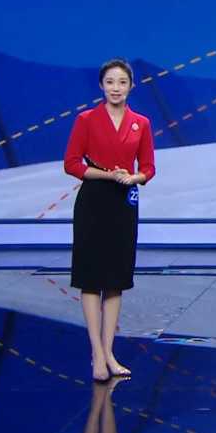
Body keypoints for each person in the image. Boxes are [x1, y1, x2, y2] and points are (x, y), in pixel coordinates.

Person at [64, 58, 156, 382]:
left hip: (123, 203)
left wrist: (134, 178)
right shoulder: (86, 120)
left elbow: (148, 167)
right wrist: (106, 175)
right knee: (91, 278)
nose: (116, 88)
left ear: (131, 86)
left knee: (116, 279)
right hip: (93, 200)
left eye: (122, 82)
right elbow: (72, 164)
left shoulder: (141, 123)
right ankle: (97, 355)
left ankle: (109, 351)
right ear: (101, 86)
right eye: (110, 82)